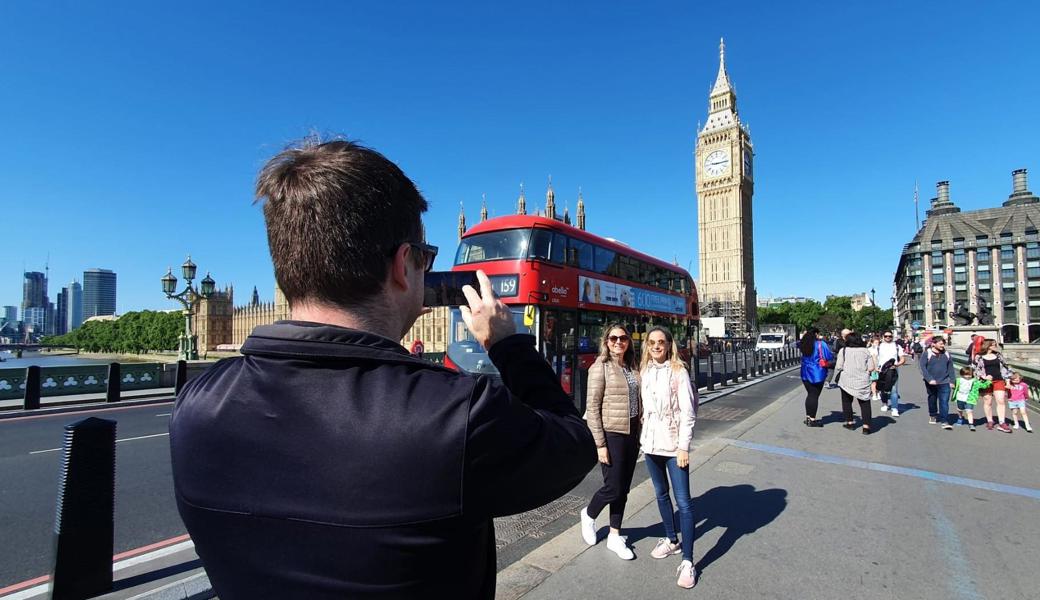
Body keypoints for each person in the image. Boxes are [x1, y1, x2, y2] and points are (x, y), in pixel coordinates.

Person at [169, 138, 597, 599]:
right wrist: (508, 343)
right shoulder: (455, 416)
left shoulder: (194, 408)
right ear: (402, 265)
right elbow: (573, 445)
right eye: (424, 258)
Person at [639, 327, 698, 589]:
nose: (656, 346)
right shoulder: (645, 371)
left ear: (668, 345)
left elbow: (688, 412)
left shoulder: (678, 371)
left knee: (683, 502)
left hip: (674, 447)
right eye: (651, 342)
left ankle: (688, 561)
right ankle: (670, 539)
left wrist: (683, 447)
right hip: (651, 445)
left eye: (660, 342)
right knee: (661, 494)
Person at [581, 323, 642, 560]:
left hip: (632, 433)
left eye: (623, 338)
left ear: (629, 341)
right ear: (606, 342)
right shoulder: (600, 368)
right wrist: (600, 444)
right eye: (613, 338)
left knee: (623, 489)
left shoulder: (632, 366)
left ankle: (615, 535)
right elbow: (592, 408)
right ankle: (589, 514)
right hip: (612, 433)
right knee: (613, 487)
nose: (619, 342)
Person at [834, 332, 878, 434]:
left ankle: (850, 422)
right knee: (865, 403)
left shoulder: (843, 350)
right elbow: (871, 367)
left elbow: (839, 366)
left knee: (847, 402)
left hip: (846, 380)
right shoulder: (865, 351)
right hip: (862, 380)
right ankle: (866, 426)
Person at [973, 338, 1013, 432]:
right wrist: (984, 377)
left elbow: (1006, 368)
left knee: (1001, 400)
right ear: (988, 346)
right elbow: (975, 370)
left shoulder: (998, 356)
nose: (996, 346)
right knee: (988, 401)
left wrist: (1007, 381)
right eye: (994, 345)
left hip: (999, 380)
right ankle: (990, 420)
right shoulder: (979, 357)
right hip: (986, 382)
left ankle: (1002, 422)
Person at [920, 335, 956, 429]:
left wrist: (952, 381)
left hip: (944, 381)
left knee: (944, 401)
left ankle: (944, 420)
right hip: (931, 381)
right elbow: (922, 367)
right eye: (940, 344)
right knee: (932, 398)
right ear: (933, 344)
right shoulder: (927, 353)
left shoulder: (946, 354)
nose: (942, 345)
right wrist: (929, 379)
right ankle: (933, 414)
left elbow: (951, 368)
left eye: (943, 344)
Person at [799, 328, 833, 427]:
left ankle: (808, 417)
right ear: (816, 334)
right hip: (817, 371)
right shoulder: (820, 344)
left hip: (805, 370)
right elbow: (828, 356)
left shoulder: (804, 344)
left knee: (810, 394)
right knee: (814, 395)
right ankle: (812, 419)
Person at [875, 331, 906, 417]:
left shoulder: (897, 346)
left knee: (894, 390)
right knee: (883, 388)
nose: (888, 337)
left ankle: (895, 408)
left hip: (893, 370)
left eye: (890, 336)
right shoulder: (879, 346)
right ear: (883, 337)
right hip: (882, 370)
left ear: (892, 337)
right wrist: (876, 367)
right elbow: (875, 357)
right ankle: (884, 403)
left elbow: (902, 359)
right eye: (886, 336)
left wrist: (897, 364)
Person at [952, 366, 991, 432]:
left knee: (969, 411)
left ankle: (971, 424)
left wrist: (988, 381)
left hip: (970, 398)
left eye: (969, 375)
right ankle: (960, 417)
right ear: (962, 374)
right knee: (960, 409)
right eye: (965, 375)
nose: (967, 376)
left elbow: (983, 385)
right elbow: (955, 387)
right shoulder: (959, 380)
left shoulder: (975, 381)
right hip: (960, 397)